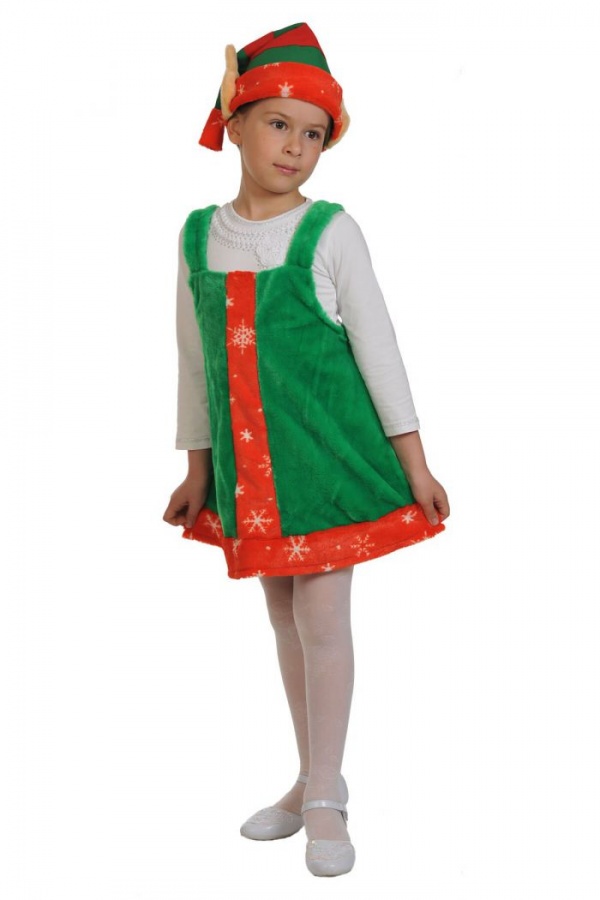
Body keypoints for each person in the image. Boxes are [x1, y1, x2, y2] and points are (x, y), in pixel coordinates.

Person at [163, 22, 450, 878]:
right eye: (279, 124)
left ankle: (326, 793)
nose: (296, 146)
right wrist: (197, 468)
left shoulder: (330, 231)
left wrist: (416, 464)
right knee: (283, 618)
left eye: (314, 133)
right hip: (253, 479)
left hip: (327, 467)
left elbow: (379, 348)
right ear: (236, 123)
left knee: (323, 621)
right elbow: (194, 361)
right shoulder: (196, 236)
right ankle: (309, 776)